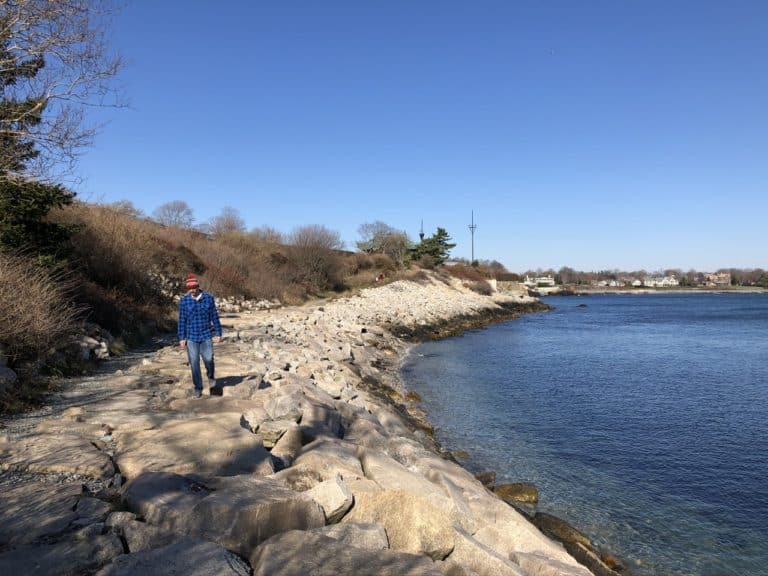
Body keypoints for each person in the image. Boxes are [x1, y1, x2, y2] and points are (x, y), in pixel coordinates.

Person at [178, 273, 222, 398]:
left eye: (194, 287)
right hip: (191, 336)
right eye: (189, 288)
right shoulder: (184, 301)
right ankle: (198, 387)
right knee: (194, 362)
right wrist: (182, 338)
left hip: (206, 335)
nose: (192, 290)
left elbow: (214, 316)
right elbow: (182, 320)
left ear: (198, 286)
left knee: (208, 359)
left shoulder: (208, 298)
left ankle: (211, 377)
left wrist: (218, 333)